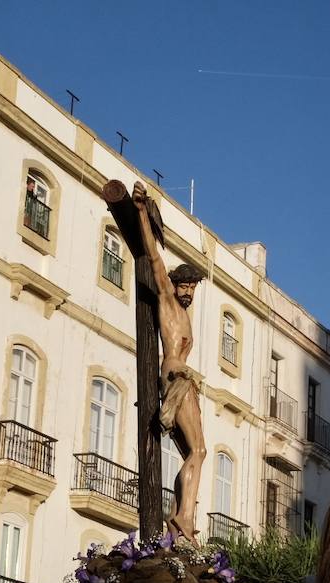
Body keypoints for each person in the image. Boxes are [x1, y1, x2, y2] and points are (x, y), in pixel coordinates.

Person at [130, 179, 208, 542]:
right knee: (200, 449)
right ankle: (183, 518)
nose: (188, 292)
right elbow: (155, 259)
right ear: (175, 285)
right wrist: (143, 214)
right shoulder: (168, 302)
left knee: (195, 452)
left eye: (193, 288)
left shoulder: (184, 312)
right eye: (185, 286)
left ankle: (183, 517)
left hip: (181, 379)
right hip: (176, 378)